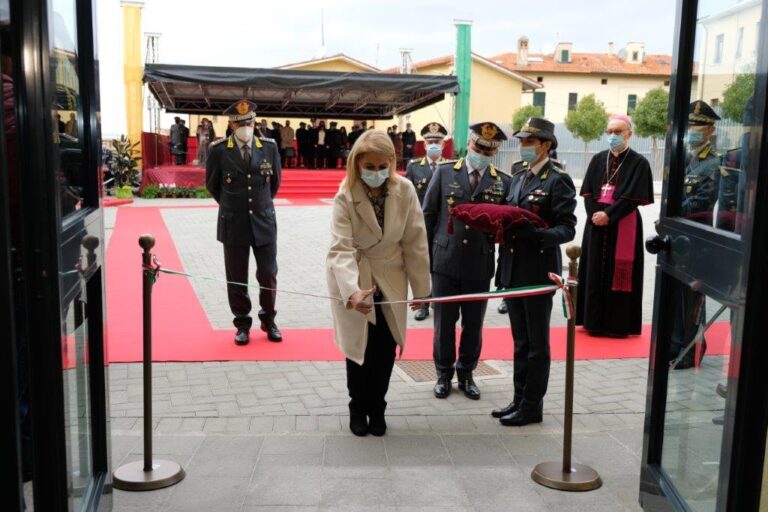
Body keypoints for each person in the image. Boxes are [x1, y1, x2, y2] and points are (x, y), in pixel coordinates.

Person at [326, 129, 430, 436]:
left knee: (385, 347)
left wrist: (422, 289)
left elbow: (415, 241)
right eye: (369, 167)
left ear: (392, 162)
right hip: (355, 275)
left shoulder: (406, 190)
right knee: (359, 347)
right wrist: (352, 290)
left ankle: (378, 406)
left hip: (392, 274)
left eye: (382, 166)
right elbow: (340, 248)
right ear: (357, 164)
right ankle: (357, 406)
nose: (376, 173)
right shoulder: (345, 195)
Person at [492, 117, 577, 426]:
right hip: (514, 269)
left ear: (546, 145)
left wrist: (537, 235)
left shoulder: (558, 179)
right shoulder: (518, 175)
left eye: (529, 142)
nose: (524, 147)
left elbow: (567, 228)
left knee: (537, 344)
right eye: (522, 142)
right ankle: (518, 398)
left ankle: (532, 406)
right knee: (520, 341)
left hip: (539, 271)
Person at [423, 122, 511, 400]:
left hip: (479, 263)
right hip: (445, 260)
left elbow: (505, 228)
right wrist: (425, 260)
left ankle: (467, 373)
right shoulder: (445, 172)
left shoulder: (502, 181)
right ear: (468, 144)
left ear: (494, 152)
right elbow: (428, 216)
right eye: (478, 147)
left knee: (473, 324)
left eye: (488, 150)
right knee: (444, 323)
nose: (482, 153)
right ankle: (443, 374)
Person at [205, 99, 283, 345]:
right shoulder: (218, 150)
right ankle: (242, 324)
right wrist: (233, 206)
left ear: (254, 121)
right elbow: (213, 186)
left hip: (264, 222)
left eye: (248, 121)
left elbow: (275, 184)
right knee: (237, 277)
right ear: (231, 124)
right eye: (239, 122)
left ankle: (269, 319)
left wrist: (260, 205)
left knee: (268, 274)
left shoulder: (269, 147)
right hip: (234, 223)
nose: (245, 126)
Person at [576, 114, 654, 337]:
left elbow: (633, 198)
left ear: (629, 134)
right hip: (596, 224)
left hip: (622, 222)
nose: (613, 136)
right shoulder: (598, 159)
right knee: (594, 270)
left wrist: (608, 215)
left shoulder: (639, 162)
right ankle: (592, 321)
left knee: (619, 273)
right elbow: (588, 192)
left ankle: (618, 325)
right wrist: (595, 215)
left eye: (618, 132)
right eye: (609, 132)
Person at [670, 101, 721, 369]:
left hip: (698, 242)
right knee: (676, 298)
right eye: (690, 126)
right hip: (679, 241)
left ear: (710, 130)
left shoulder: (713, 164)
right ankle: (677, 345)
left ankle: (692, 351)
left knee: (692, 300)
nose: (692, 131)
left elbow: (702, 203)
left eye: (698, 126)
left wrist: (673, 208)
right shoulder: (685, 159)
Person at [405, 122, 448, 322]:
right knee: (421, 266)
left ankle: (440, 302)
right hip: (420, 226)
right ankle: (423, 303)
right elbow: (405, 197)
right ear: (423, 144)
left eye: (437, 141)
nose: (433, 144)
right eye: (430, 141)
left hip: (443, 227)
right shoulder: (414, 167)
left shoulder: (451, 166)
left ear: (443, 143)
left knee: (439, 267)